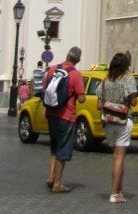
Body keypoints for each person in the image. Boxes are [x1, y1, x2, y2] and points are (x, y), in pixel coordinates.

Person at [43, 46, 86, 193]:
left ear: (67, 56)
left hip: (51, 112)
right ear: (78, 60)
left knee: (54, 146)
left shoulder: (53, 69)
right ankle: (57, 183)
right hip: (66, 116)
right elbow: (81, 98)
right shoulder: (75, 74)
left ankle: (51, 176)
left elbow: (44, 89)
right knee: (63, 148)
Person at [99, 51, 138, 204]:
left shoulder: (105, 80)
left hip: (108, 122)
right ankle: (114, 194)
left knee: (116, 156)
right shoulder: (128, 78)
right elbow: (133, 102)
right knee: (119, 158)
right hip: (122, 121)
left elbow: (99, 104)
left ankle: (119, 190)